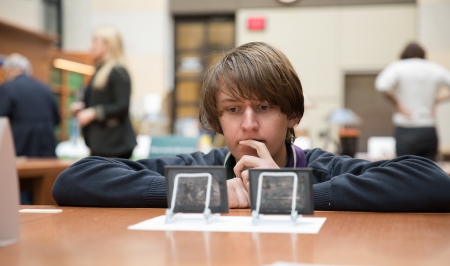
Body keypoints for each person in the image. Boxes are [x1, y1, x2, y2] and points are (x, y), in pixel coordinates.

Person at [53, 42, 450, 212]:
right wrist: (207, 191)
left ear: (293, 114)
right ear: (216, 119)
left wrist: (286, 192)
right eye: (231, 110)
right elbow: (75, 180)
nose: (248, 125)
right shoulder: (204, 165)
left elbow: (432, 182)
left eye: (264, 107)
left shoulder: (321, 167)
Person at [375, 42, 450, 161]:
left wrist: (398, 104)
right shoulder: (434, 68)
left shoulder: (398, 67)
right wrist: (435, 101)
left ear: (403, 55)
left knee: (405, 171)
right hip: (429, 129)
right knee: (428, 171)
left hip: (406, 128)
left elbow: (381, 85)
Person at [72, 25, 136, 158]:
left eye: (95, 41)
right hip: (101, 144)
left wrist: (93, 113)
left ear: (107, 45)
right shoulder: (99, 71)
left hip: (115, 146)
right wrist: (83, 107)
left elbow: (122, 106)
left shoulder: (118, 72)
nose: (91, 46)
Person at [0, 53, 60, 157]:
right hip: (46, 148)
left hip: (19, 148)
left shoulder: (7, 87)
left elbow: (2, 120)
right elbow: (57, 119)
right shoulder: (45, 88)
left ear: (9, 70)